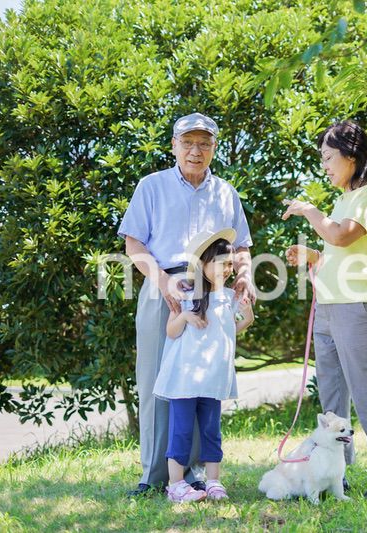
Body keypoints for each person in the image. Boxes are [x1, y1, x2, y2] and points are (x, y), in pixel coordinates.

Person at [118, 113, 255, 496]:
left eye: (204, 143)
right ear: (174, 146)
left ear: (214, 148)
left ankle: (193, 474)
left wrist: (244, 274)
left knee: (202, 380)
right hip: (162, 283)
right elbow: (134, 245)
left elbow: (241, 246)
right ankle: (153, 475)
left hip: (211, 290)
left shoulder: (226, 192)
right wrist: (162, 282)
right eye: (188, 142)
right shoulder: (152, 186)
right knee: (156, 382)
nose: (196, 150)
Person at [282, 120, 367, 498]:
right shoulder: (344, 198)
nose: (325, 166)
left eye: (329, 157)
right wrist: (314, 255)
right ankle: (338, 472)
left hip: (356, 308)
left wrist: (310, 211)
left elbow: (342, 234)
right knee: (332, 399)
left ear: (351, 155)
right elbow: (338, 247)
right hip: (329, 308)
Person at [153, 229, 253, 503]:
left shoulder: (231, 296)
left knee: (211, 430)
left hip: (213, 377)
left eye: (230, 264)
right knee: (181, 430)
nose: (227, 269)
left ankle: (213, 481)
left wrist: (248, 313)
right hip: (184, 378)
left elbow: (235, 326)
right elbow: (171, 332)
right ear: (202, 264)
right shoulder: (185, 295)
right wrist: (185, 315)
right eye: (221, 263)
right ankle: (176, 484)